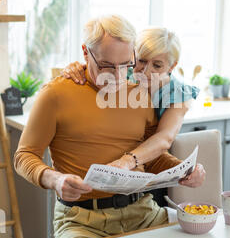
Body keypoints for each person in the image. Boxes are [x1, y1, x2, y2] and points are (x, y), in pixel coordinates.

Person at [14, 15, 206, 238]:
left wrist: (182, 169)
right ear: (85, 52)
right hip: (81, 221)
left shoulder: (139, 90)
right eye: (106, 66)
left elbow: (151, 155)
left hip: (143, 213)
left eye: (126, 65)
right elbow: (24, 156)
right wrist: (55, 178)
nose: (118, 76)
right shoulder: (55, 94)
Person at [63, 27, 200, 173]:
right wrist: (77, 68)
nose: (146, 71)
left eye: (157, 65)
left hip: (151, 161)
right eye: (141, 61)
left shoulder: (178, 94)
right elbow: (96, 71)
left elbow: (164, 138)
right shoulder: (123, 72)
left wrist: (127, 161)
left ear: (172, 66)